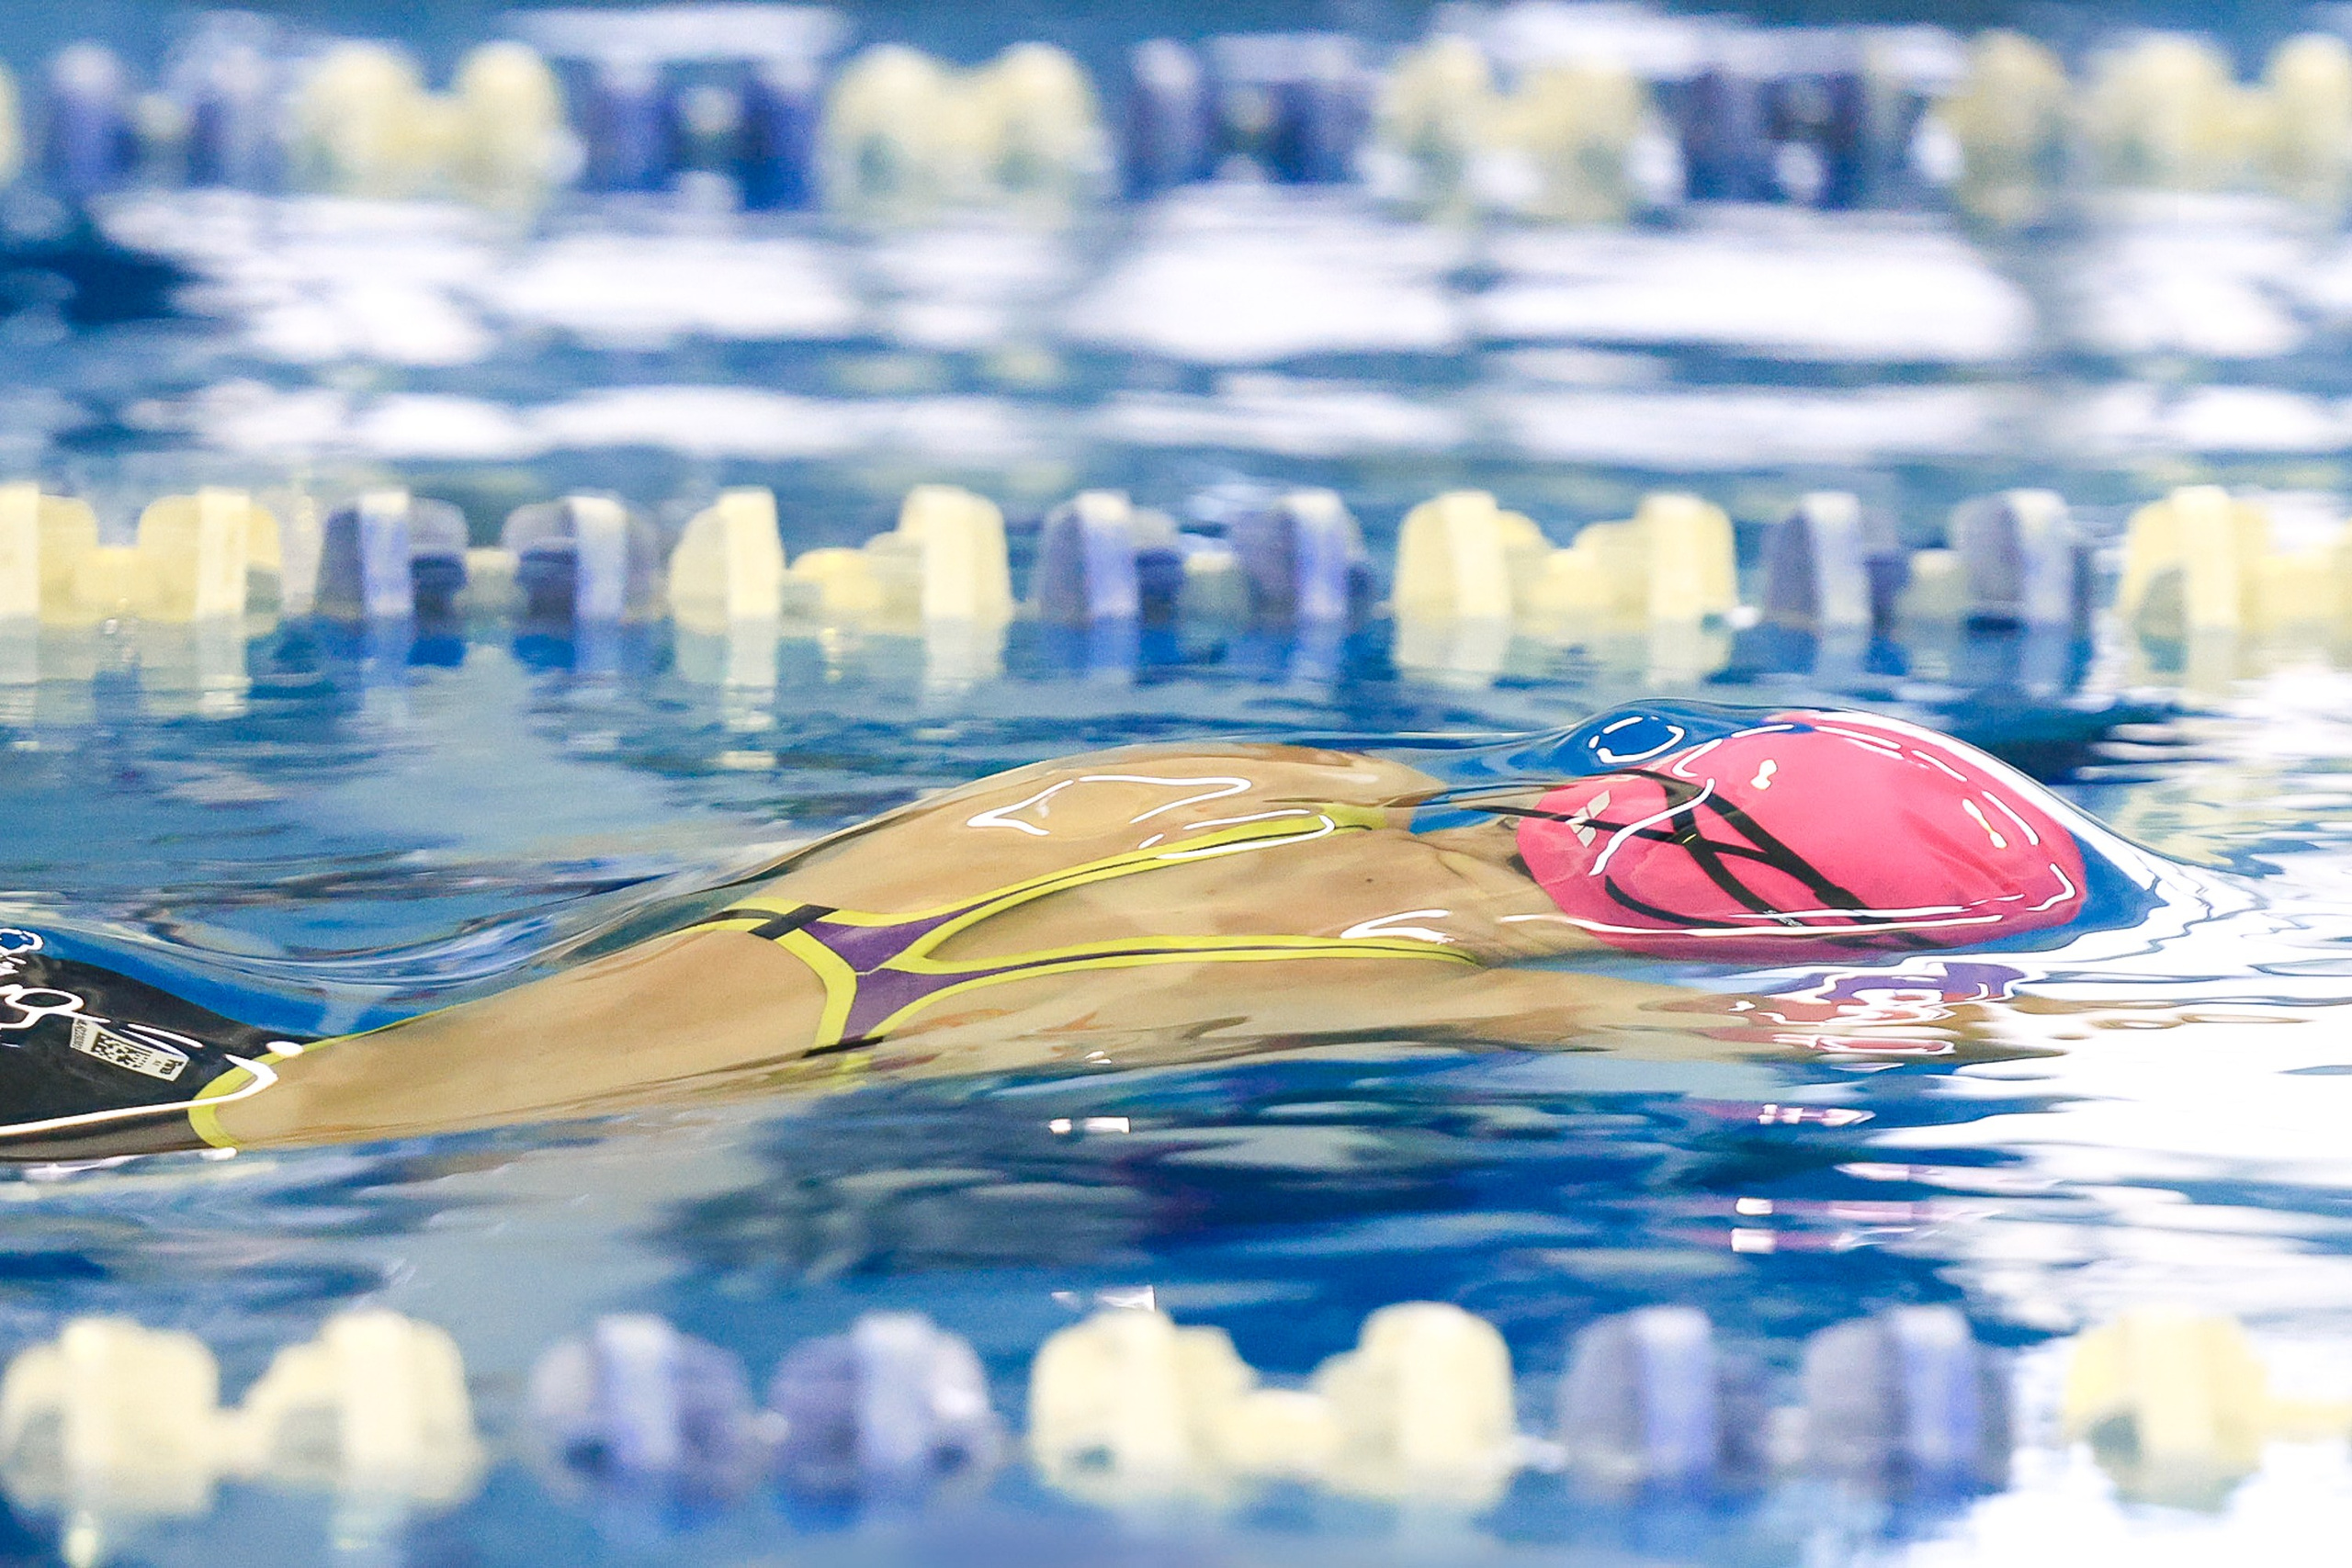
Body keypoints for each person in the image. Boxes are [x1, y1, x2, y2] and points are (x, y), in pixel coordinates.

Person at [0, 702, 2145, 1161]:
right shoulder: (1446, 979)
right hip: (222, 1130)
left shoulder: (1232, 773)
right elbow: (1827, 1045)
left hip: (110, 1003)